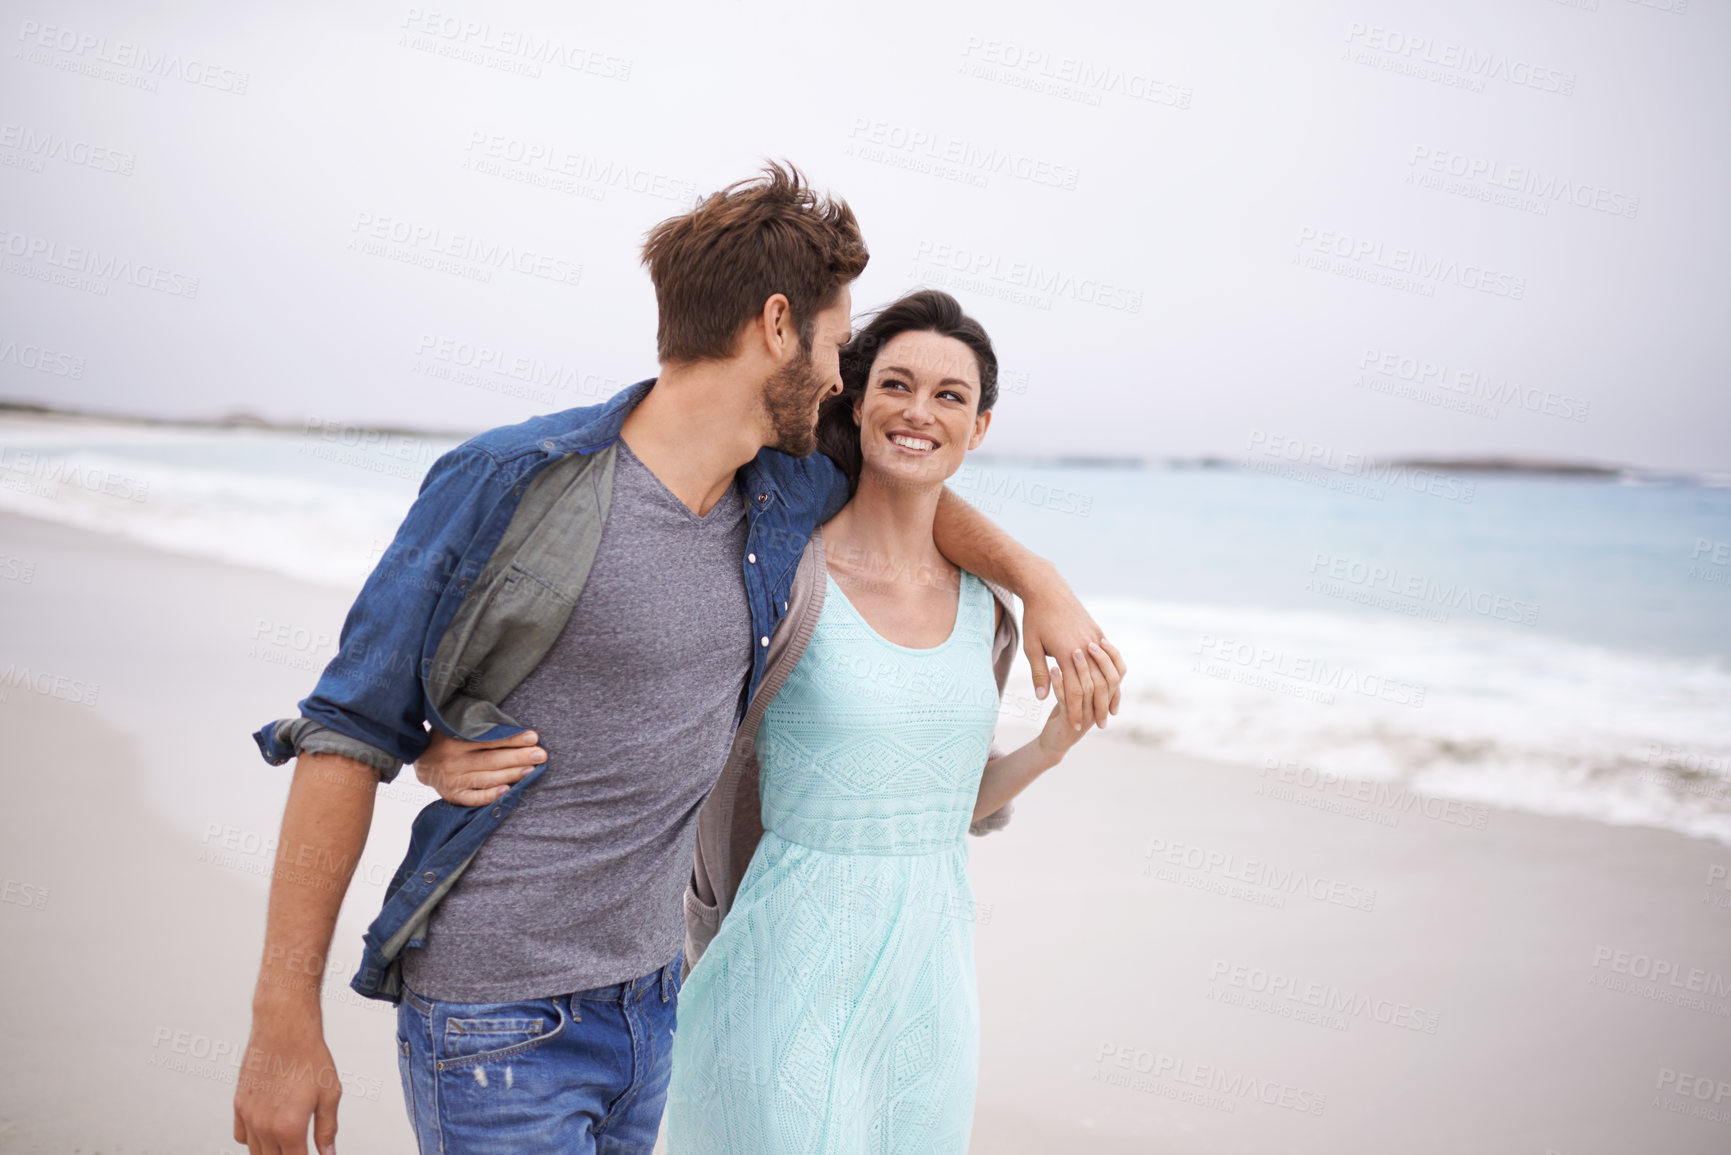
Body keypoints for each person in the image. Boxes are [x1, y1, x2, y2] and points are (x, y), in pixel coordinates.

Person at [231, 163, 1122, 1155]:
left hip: (653, 1009)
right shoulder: (513, 484)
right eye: (838, 348)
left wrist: (1038, 580)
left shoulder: (776, 502)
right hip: (497, 1018)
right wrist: (282, 1024)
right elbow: (348, 734)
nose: (841, 380)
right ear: (776, 327)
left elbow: (912, 482)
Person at [659, 289, 1110, 1152]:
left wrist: (1050, 748)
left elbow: (944, 810)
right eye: (896, 385)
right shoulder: (782, 579)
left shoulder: (988, 611)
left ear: (979, 427)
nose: (919, 410)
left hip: (928, 998)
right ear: (855, 401)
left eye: (951, 395)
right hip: (777, 974)